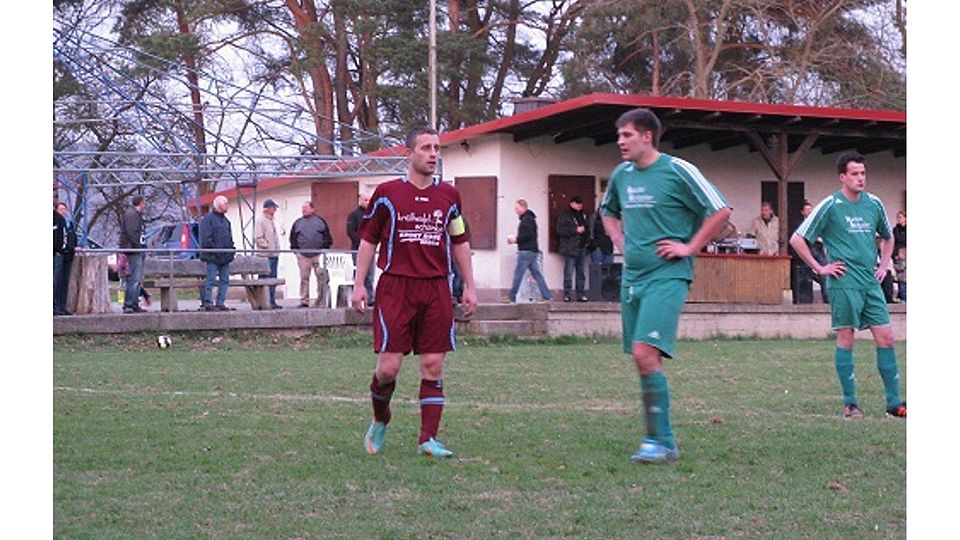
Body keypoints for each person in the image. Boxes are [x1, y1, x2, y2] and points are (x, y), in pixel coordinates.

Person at [600, 108, 733, 463]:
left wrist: (690, 247)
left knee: (646, 353)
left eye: (626, 135)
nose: (620, 142)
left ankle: (662, 441)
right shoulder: (621, 175)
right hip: (634, 276)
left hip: (668, 274)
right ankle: (658, 439)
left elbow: (720, 210)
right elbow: (607, 210)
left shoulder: (678, 170)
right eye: (619, 135)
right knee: (643, 358)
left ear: (647, 136)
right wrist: (619, 240)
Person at [351, 126, 478, 459]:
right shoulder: (387, 193)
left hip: (436, 286)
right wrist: (359, 283)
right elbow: (368, 240)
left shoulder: (450, 196)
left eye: (437, 148)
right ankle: (381, 417)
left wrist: (469, 285)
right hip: (396, 286)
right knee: (389, 368)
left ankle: (427, 439)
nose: (433, 153)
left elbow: (459, 240)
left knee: (433, 365)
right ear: (410, 154)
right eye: (425, 148)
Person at [790, 151, 906, 420]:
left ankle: (893, 404)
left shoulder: (874, 204)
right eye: (854, 173)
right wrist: (820, 268)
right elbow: (798, 239)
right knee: (846, 338)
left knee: (886, 337)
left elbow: (888, 238)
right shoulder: (830, 204)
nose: (860, 178)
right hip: (844, 283)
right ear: (843, 177)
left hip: (870, 282)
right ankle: (850, 404)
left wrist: (883, 265)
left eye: (863, 173)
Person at [506, 199, 551, 303]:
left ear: (523, 207)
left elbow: (527, 236)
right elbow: (530, 235)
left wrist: (515, 239)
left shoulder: (526, 220)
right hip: (532, 250)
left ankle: (512, 296)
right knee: (537, 274)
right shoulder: (530, 219)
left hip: (525, 251)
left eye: (517, 208)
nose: (515, 210)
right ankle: (547, 296)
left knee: (518, 274)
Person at [289, 200, 333, 308]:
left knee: (321, 278)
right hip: (303, 256)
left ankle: (321, 300)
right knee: (304, 278)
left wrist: (323, 250)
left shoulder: (320, 222)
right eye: (302, 208)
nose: (303, 210)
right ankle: (304, 301)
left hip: (318, 255)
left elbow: (328, 238)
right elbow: (292, 239)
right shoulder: (297, 223)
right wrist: (297, 252)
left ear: (312, 209)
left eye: (306, 208)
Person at [198, 195, 236, 311]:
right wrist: (215, 251)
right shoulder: (208, 220)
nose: (227, 206)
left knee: (225, 280)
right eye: (226, 204)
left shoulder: (226, 221)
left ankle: (220, 302)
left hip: (225, 256)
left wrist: (231, 249)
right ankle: (208, 302)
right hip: (212, 256)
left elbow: (229, 238)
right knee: (211, 279)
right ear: (219, 205)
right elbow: (206, 239)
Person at [557, 195, 590, 302]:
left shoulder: (583, 215)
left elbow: (588, 228)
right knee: (569, 272)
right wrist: (575, 230)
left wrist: (587, 240)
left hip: (582, 246)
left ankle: (580, 294)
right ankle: (567, 294)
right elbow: (560, 230)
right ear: (572, 203)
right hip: (570, 248)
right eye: (577, 203)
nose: (580, 205)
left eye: (580, 203)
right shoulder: (565, 215)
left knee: (581, 273)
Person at [119, 195, 147, 314]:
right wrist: (137, 246)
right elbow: (132, 233)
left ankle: (134, 303)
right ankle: (129, 304)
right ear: (140, 203)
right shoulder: (131, 215)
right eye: (144, 203)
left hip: (137, 249)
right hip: (133, 250)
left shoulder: (135, 215)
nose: (145, 205)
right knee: (133, 279)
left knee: (137, 279)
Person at [346, 193, 376, 306]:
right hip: (357, 250)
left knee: (370, 275)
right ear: (360, 200)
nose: (368, 202)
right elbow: (350, 232)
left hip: (371, 249)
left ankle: (370, 297)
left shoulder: (373, 214)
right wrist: (363, 243)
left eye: (369, 200)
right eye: (366, 200)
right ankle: (363, 297)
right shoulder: (353, 215)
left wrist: (371, 244)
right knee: (361, 273)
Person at [254, 199, 283, 309]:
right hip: (265, 256)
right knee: (265, 278)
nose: (275, 210)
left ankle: (271, 301)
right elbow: (258, 237)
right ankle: (262, 302)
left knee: (273, 279)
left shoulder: (272, 221)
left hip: (274, 255)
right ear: (268, 208)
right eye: (273, 208)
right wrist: (267, 246)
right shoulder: (260, 221)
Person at [53, 204, 72, 316]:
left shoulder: (67, 222)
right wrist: (57, 250)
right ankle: (54, 306)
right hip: (57, 254)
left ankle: (61, 306)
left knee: (63, 281)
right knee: (56, 280)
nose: (63, 211)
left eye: (65, 209)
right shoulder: (55, 219)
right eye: (61, 209)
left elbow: (69, 236)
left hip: (66, 254)